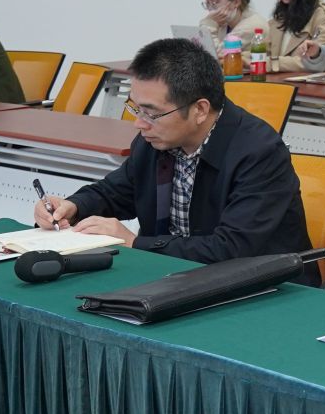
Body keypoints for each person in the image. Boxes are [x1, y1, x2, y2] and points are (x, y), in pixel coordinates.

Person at [35, 37, 310, 263]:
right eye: (135, 108)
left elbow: (231, 249)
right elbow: (116, 192)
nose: (139, 123)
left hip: (264, 289)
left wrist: (134, 242)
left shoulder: (259, 152)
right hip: (176, 277)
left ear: (200, 110)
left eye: (151, 113)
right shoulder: (155, 140)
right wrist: (73, 206)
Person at [197, 0, 262, 56]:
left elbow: (218, 56)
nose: (210, 10)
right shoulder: (224, 22)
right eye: (208, 3)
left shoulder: (252, 27)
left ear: (236, 2)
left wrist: (209, 24)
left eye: (214, 2)